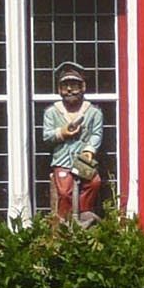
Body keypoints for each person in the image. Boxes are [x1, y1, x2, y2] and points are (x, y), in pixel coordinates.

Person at [39, 62, 105, 223]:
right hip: (62, 159)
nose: (69, 90)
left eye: (74, 86)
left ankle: (84, 210)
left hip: (83, 159)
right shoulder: (52, 113)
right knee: (64, 190)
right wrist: (62, 132)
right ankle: (64, 218)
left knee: (94, 182)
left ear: (83, 87)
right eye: (65, 86)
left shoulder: (93, 112)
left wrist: (89, 150)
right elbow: (47, 136)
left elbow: (96, 134)